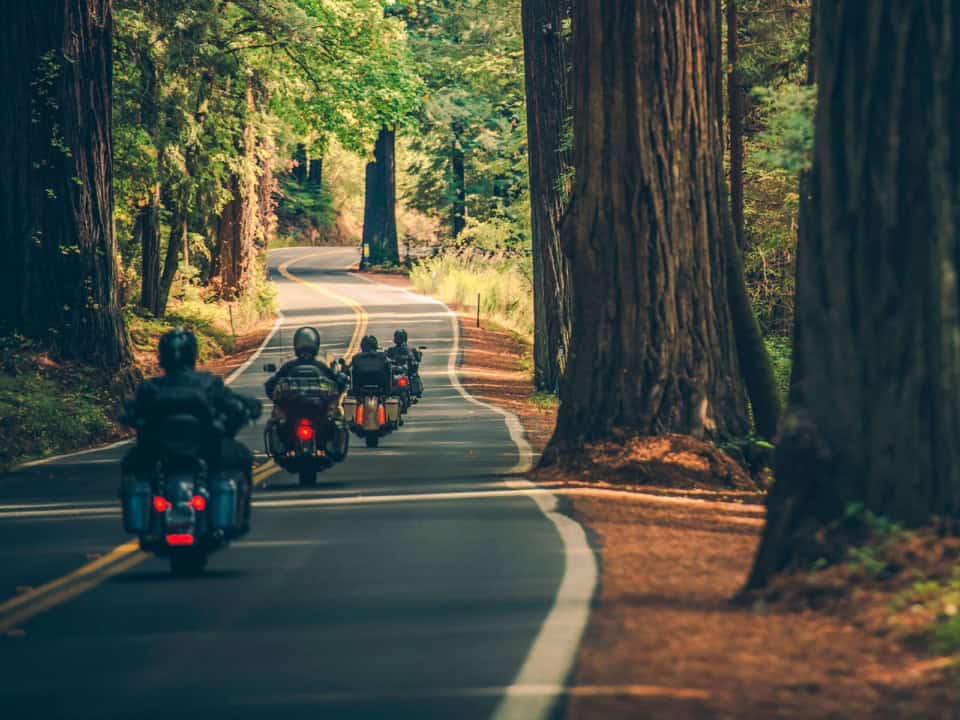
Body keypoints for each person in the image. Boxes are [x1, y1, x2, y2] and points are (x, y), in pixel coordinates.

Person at [121, 329, 261, 524]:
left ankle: (146, 521)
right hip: (205, 451)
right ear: (193, 354)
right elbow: (233, 405)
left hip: (159, 452)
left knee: (130, 466)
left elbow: (131, 413)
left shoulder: (151, 388)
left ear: (162, 356)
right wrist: (247, 410)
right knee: (243, 457)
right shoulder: (208, 383)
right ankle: (241, 517)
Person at [264, 326, 347, 400]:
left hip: (292, 410)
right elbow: (337, 382)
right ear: (316, 345)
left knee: (277, 415)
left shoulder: (288, 366)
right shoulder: (321, 366)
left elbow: (270, 385)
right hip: (317, 411)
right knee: (336, 414)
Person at [385, 328, 423, 398]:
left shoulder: (391, 350)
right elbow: (417, 360)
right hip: (398, 373)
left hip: (401, 373)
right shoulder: (410, 349)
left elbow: (416, 361)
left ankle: (415, 390)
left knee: (413, 376)